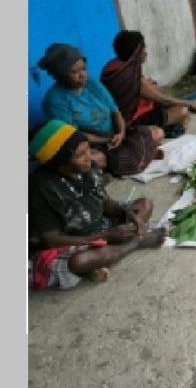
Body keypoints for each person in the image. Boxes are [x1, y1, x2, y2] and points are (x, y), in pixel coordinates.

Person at [28, 120, 168, 290]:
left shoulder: (88, 167)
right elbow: (51, 240)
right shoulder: (41, 188)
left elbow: (103, 201)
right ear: (60, 162)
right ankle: (135, 243)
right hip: (74, 240)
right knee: (80, 261)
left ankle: (106, 256)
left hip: (100, 224)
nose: (89, 157)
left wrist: (125, 212)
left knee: (145, 204)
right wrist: (106, 236)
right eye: (80, 155)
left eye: (88, 149)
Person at [39, 43, 164, 176]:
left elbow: (115, 111)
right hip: (93, 145)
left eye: (83, 69)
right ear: (60, 75)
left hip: (116, 135)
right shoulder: (55, 100)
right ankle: (142, 154)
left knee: (158, 133)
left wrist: (121, 133)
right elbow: (75, 135)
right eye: (74, 72)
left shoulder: (91, 82)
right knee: (90, 159)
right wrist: (109, 140)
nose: (82, 75)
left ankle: (133, 156)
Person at [100, 30, 196, 139]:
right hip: (132, 121)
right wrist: (189, 103)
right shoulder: (131, 76)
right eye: (144, 48)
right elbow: (163, 99)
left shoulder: (113, 66)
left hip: (122, 117)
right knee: (182, 111)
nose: (146, 52)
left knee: (157, 89)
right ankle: (160, 129)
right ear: (138, 52)